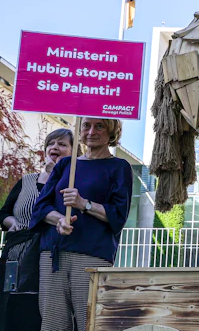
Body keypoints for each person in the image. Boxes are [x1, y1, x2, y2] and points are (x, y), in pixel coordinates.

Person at [30, 118, 133, 331]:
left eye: (100, 126)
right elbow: (41, 208)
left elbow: (118, 215)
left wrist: (83, 204)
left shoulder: (119, 167)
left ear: (112, 131)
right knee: (52, 324)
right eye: (86, 125)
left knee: (91, 323)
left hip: (91, 257)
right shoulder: (67, 164)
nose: (91, 131)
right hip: (53, 255)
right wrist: (59, 220)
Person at [0, 129, 76, 331]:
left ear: (74, 152)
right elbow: (4, 212)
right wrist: (11, 222)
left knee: (39, 313)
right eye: (51, 143)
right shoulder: (27, 181)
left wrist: (56, 176)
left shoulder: (74, 183)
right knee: (9, 310)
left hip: (49, 258)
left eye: (62, 144)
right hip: (16, 256)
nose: (55, 147)